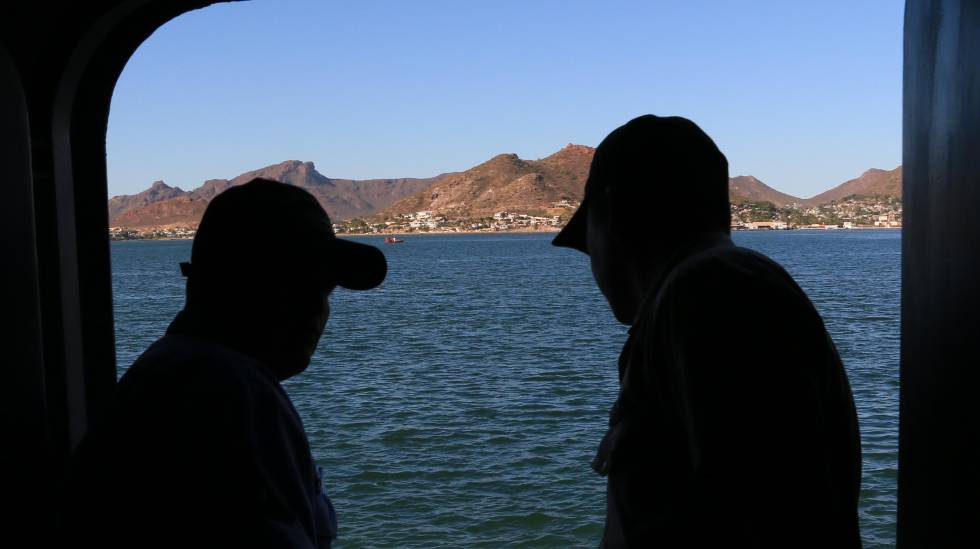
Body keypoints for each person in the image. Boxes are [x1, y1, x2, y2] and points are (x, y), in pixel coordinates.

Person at [553, 115, 862, 548]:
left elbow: (759, 516)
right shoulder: (722, 286)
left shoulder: (708, 290)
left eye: (588, 239)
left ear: (613, 211)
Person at [65, 178, 387, 548]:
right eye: (301, 284)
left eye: (326, 290)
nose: (319, 309)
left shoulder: (171, 369)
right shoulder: (228, 392)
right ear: (241, 285)